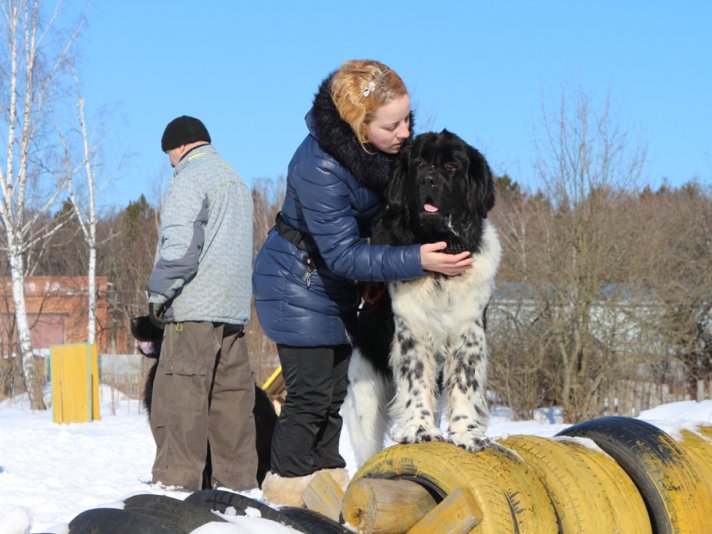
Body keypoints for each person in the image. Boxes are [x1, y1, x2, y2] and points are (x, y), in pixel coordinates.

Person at [252, 60, 474, 505]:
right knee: (310, 394)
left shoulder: (384, 152)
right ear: (359, 125)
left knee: (334, 392)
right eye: (392, 125)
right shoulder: (319, 166)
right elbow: (342, 253)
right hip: (297, 284)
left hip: (335, 287)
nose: (405, 133)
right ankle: (286, 492)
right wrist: (416, 259)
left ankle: (326, 487)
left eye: (408, 119)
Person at [147, 115, 257, 491]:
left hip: (193, 312)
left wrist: (157, 297)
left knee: (180, 405)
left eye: (168, 154)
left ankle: (175, 490)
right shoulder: (235, 180)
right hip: (232, 313)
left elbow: (180, 250)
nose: (170, 163)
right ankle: (237, 491)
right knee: (233, 408)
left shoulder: (190, 179)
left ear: (179, 147)